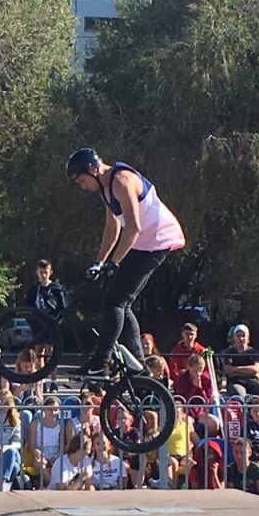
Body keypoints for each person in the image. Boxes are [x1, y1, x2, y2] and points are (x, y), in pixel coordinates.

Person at [65, 147, 185, 376]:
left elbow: (133, 227)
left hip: (157, 239)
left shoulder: (121, 181)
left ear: (93, 169)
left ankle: (102, 362)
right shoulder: (105, 189)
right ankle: (139, 367)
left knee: (115, 301)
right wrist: (99, 263)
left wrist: (115, 262)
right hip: (143, 241)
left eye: (82, 181)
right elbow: (112, 229)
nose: (82, 187)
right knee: (117, 299)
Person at [174, 353, 220, 437]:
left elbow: (208, 401)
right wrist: (194, 387)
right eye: (195, 371)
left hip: (200, 411)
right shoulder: (181, 378)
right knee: (188, 423)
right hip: (186, 410)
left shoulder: (206, 379)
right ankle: (196, 446)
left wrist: (200, 388)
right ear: (189, 367)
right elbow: (182, 397)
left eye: (201, 370)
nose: (198, 373)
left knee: (214, 423)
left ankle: (208, 444)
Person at [220, 324, 259, 398]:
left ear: (248, 338)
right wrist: (249, 371)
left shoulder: (253, 351)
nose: (241, 338)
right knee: (240, 396)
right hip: (235, 382)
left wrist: (235, 370)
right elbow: (227, 369)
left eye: (243, 335)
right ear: (234, 338)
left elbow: (256, 369)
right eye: (238, 336)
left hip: (251, 381)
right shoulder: (228, 352)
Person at [26, 396, 65, 487]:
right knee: (40, 463)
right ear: (44, 409)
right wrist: (37, 452)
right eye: (50, 409)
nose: (53, 412)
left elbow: (62, 443)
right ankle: (52, 485)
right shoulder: (35, 424)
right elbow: (31, 444)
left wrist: (57, 455)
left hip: (55, 453)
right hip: (40, 452)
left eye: (56, 410)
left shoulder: (60, 426)